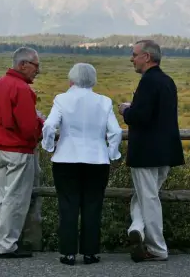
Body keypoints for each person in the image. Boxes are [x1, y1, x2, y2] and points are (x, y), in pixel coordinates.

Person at [42, 63, 123, 266]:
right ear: (93, 80)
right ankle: (91, 253)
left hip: (66, 159)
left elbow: (50, 125)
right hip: (97, 160)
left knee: (68, 206)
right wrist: (112, 153)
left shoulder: (61, 99)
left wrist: (49, 145)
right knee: (93, 206)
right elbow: (116, 132)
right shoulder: (104, 102)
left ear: (71, 80)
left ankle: (68, 253)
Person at [118, 40, 185, 263]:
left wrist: (126, 111)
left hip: (146, 152)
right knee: (144, 195)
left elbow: (141, 117)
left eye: (134, 54)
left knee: (148, 199)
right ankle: (136, 228)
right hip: (166, 151)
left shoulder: (148, 82)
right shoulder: (167, 81)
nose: (131, 58)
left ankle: (157, 248)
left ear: (147, 57)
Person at [0, 47, 44, 258]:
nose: (38, 71)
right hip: (19, 150)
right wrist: (42, 126)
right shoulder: (22, 89)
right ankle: (7, 245)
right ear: (23, 65)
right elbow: (28, 127)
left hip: (0, 148)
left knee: (1, 195)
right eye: (36, 66)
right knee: (16, 198)